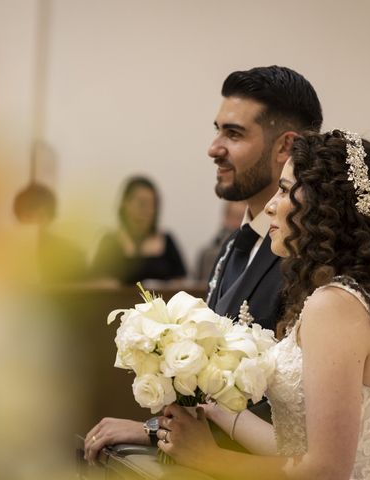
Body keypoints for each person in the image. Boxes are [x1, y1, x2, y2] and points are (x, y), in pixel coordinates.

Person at [154, 130, 370, 479]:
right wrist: (219, 413)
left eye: (284, 189)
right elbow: (300, 449)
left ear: (323, 204)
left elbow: (325, 470)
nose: (270, 205)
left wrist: (210, 459)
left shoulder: (335, 307)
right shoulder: (340, 298)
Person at [83, 65, 323, 461]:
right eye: (218, 130)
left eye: (234, 133)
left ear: (285, 147)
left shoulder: (309, 260)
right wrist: (157, 429)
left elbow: (300, 414)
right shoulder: (232, 247)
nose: (214, 147)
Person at [90, 175, 187, 285]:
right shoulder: (109, 242)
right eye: (142, 204)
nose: (148, 211)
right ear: (125, 204)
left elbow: (181, 282)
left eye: (153, 205)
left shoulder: (167, 241)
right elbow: (96, 282)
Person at [11, 182, 87, 283]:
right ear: (19, 218)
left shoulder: (71, 253)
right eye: (28, 216)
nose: (35, 222)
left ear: (51, 218)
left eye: (41, 216)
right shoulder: (1, 254)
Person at [195, 200, 246, 284]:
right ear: (226, 218)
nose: (237, 223)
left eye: (241, 218)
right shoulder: (208, 254)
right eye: (234, 217)